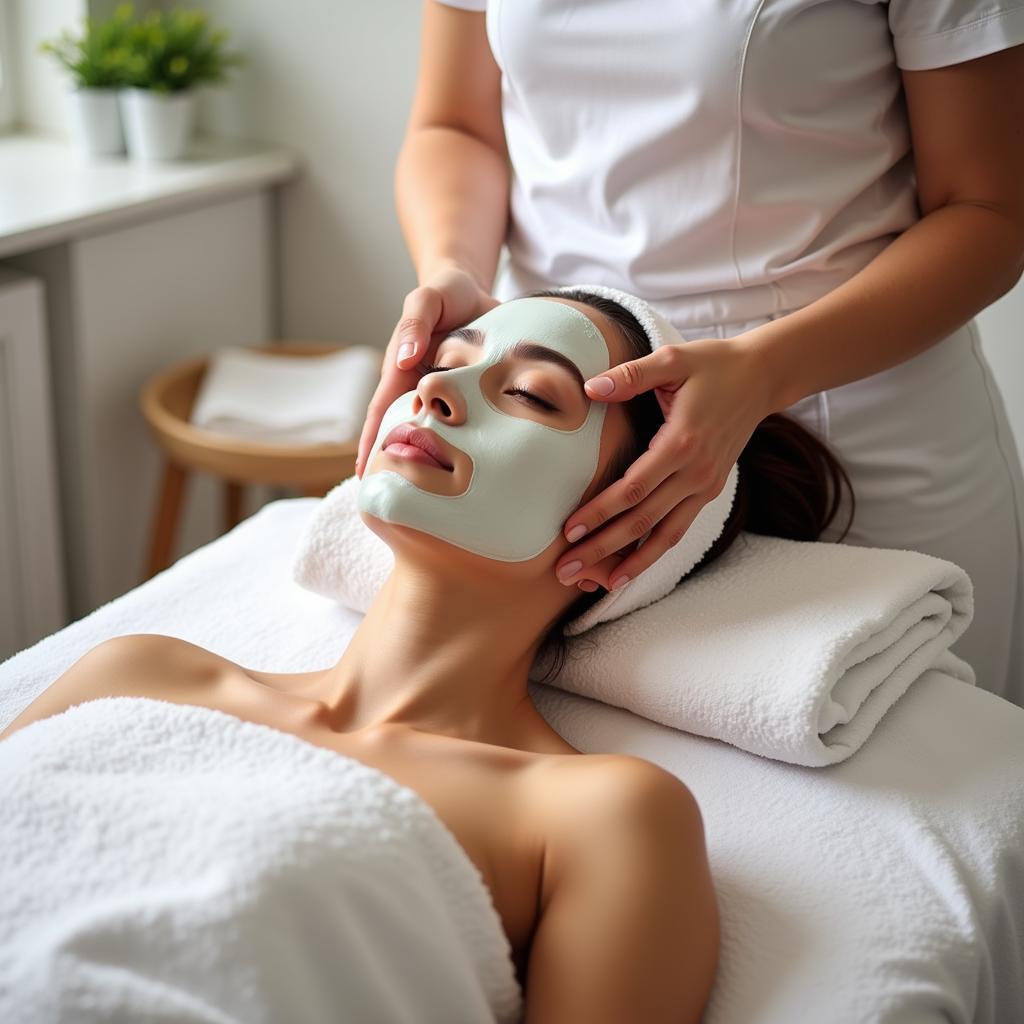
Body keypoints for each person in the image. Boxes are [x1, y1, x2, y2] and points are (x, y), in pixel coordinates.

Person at [0, 291, 854, 1020]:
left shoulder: (597, 819)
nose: (436, 390)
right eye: (444, 362)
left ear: (628, 532)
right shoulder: (139, 674)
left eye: (528, 394)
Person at [358, 1, 1024, 706]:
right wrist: (453, 273)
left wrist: (766, 370)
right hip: (559, 431)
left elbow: (988, 211)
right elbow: (455, 125)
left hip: (851, 402)